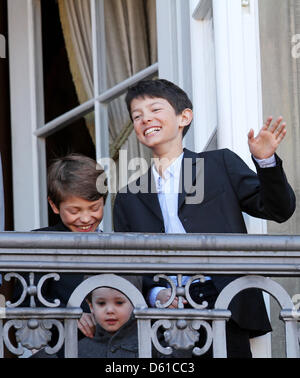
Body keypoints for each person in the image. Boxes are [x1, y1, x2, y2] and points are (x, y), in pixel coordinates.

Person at [113, 78, 296, 358]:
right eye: (137, 116)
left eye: (155, 110)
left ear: (184, 116)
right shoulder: (128, 197)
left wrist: (266, 162)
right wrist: (154, 295)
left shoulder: (219, 164)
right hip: (163, 315)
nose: (145, 119)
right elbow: (128, 268)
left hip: (225, 302)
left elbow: (278, 210)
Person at [77, 286, 138, 358]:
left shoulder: (148, 343)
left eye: (119, 302)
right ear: (91, 306)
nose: (109, 310)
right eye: (101, 303)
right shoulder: (80, 348)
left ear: (134, 304)